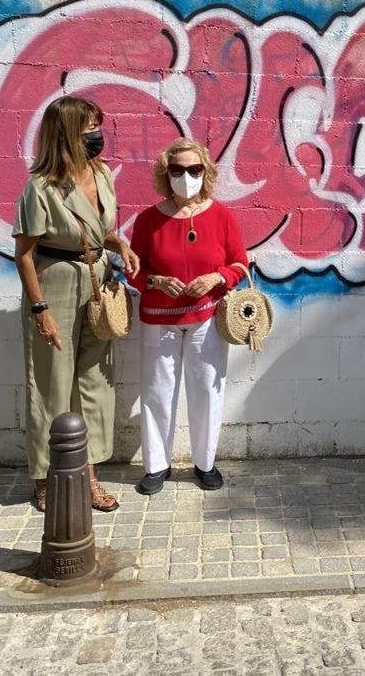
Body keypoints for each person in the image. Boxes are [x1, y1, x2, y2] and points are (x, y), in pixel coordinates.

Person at [12, 96, 139, 513]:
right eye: (89, 130)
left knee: (95, 382)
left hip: (98, 276)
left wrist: (121, 245)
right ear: (66, 133)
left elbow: (99, 229)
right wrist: (39, 309)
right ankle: (45, 479)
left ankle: (90, 475)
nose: (97, 136)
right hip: (56, 282)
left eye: (98, 126)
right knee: (51, 383)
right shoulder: (41, 187)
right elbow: (25, 254)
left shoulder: (102, 174)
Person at [129, 138, 248, 495]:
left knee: (207, 391)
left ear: (205, 172)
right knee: (157, 392)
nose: (186, 176)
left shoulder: (221, 215)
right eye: (178, 170)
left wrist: (217, 278)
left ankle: (205, 463)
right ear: (166, 174)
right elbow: (132, 269)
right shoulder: (148, 219)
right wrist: (154, 280)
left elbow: (240, 263)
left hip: (206, 318)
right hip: (158, 319)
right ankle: (156, 466)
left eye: (194, 169)